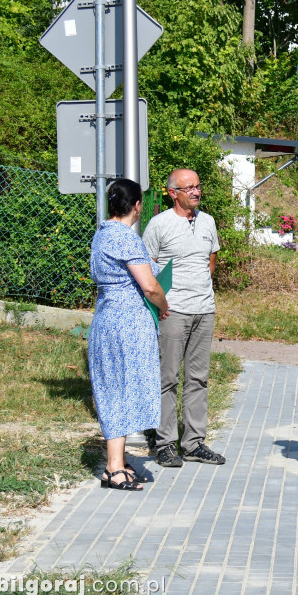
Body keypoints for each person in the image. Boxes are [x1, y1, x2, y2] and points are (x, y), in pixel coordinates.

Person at [89, 178, 169, 491]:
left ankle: (118, 462)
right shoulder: (126, 238)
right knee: (121, 391)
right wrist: (162, 304)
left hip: (106, 320)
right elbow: (149, 285)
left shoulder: (102, 234)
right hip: (127, 324)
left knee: (114, 389)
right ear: (137, 206)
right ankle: (113, 467)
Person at [142, 168, 225, 468]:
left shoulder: (208, 222)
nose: (196, 192)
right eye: (188, 187)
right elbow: (146, 268)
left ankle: (193, 443)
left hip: (204, 309)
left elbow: (210, 259)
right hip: (172, 311)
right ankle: (165, 443)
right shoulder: (159, 224)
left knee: (198, 378)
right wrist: (163, 302)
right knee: (167, 378)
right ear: (172, 193)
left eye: (198, 186)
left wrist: (200, 289)